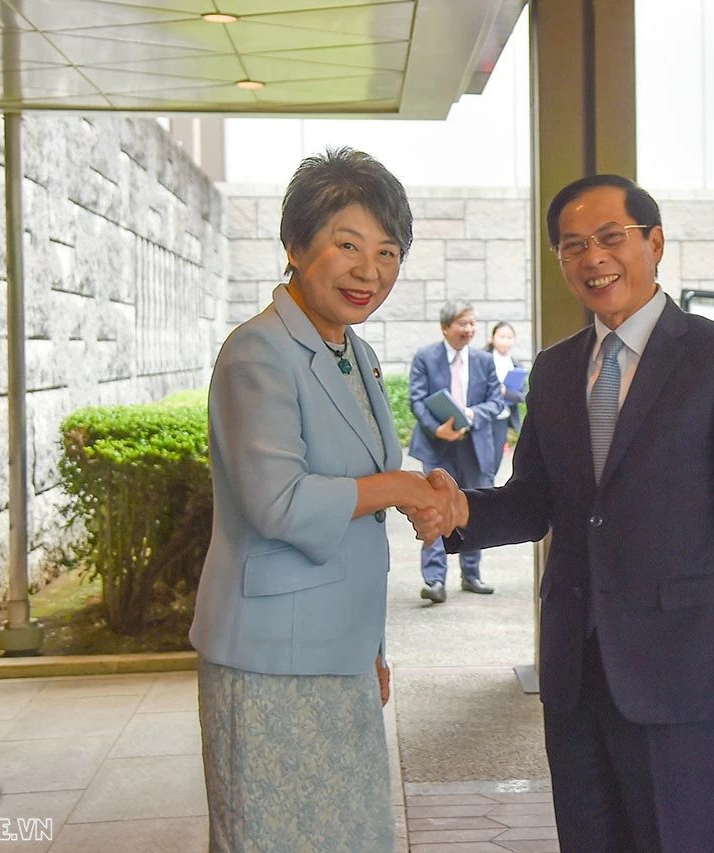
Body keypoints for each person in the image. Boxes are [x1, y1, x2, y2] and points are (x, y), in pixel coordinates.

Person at [410, 175, 714, 852]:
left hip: (680, 669)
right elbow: (538, 498)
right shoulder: (556, 369)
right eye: (573, 245)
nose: (593, 258)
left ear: (655, 243)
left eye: (611, 238)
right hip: (575, 669)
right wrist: (461, 508)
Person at [188, 147, 442, 853]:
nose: (370, 270)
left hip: (341, 651)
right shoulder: (257, 351)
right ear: (296, 246)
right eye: (347, 245)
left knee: (350, 835)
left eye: (388, 252)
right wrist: (400, 488)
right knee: (271, 837)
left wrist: (372, 648)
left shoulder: (354, 352)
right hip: (269, 659)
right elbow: (279, 502)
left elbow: (361, 489)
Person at [407, 302, 505, 603]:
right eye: (462, 324)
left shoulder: (484, 360)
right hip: (437, 446)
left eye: (472, 323)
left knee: (474, 508)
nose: (469, 329)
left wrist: (473, 414)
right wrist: (437, 429)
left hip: (475, 446)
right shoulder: (425, 357)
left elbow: (496, 402)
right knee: (433, 509)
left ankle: (471, 574)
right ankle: (435, 579)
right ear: (445, 327)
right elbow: (417, 399)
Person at [485, 321, 525, 465]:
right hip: (484, 416)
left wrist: (505, 392)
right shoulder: (482, 359)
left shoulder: (516, 365)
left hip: (503, 417)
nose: (506, 341)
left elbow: (522, 395)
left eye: (509, 337)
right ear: (493, 338)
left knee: (496, 460)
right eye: (502, 337)